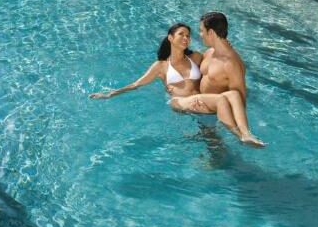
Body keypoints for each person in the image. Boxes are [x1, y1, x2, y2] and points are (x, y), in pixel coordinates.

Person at [89, 22, 265, 147]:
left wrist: (225, 44)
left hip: (199, 101)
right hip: (180, 103)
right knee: (220, 101)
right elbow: (136, 84)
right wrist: (110, 94)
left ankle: (246, 133)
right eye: (181, 34)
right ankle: (240, 136)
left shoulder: (196, 57)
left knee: (232, 97)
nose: (186, 38)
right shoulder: (161, 66)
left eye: (188, 35)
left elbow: (216, 55)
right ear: (170, 37)